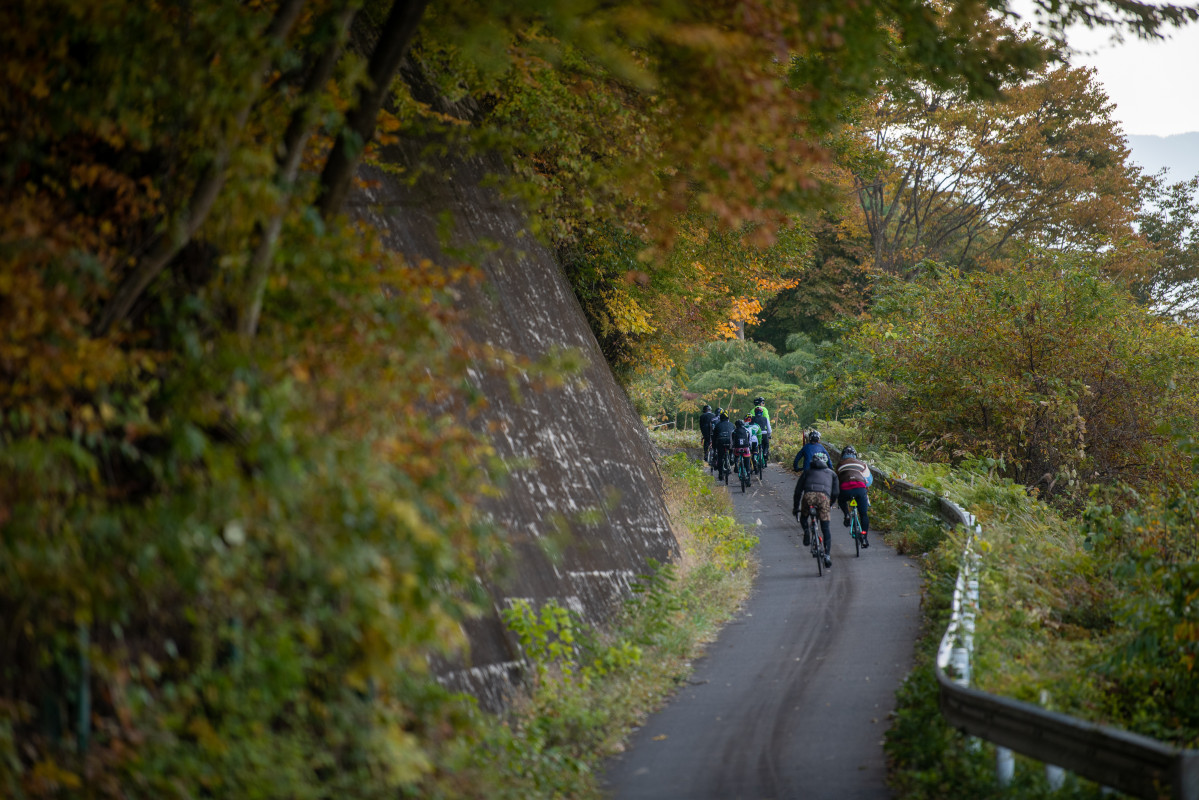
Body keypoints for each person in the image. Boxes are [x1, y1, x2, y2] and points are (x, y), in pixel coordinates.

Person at [793, 451, 838, 568]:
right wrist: (830, 503)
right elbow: (835, 492)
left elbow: (798, 491)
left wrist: (796, 508)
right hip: (824, 498)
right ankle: (827, 555)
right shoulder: (832, 474)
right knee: (825, 528)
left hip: (808, 496)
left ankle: (807, 531)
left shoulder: (807, 472)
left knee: (804, 517)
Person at [836, 445, 872, 548]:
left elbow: (837, 480)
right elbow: (869, 481)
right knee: (863, 514)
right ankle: (864, 537)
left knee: (841, 500)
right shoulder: (862, 464)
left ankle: (847, 514)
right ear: (855, 455)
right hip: (860, 488)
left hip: (846, 488)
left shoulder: (839, 465)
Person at [712, 410, 735, 480]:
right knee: (731, 448)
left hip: (720, 441)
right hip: (729, 441)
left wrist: (714, 447)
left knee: (720, 457)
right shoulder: (732, 425)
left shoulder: (717, 425)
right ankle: (731, 456)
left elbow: (714, 437)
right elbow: (734, 435)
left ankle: (720, 474)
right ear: (728, 419)